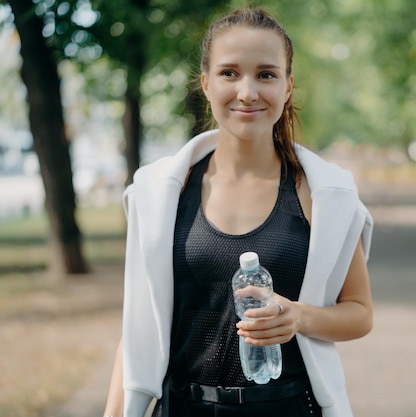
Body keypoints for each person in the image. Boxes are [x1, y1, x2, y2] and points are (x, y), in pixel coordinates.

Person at [103, 7, 373, 417]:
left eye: (266, 74)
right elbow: (138, 327)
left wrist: (298, 316)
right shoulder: (159, 194)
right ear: (206, 84)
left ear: (287, 86)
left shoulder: (325, 195)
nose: (247, 92)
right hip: (183, 407)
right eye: (230, 73)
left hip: (287, 408)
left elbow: (359, 313)